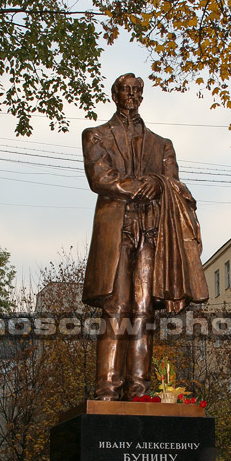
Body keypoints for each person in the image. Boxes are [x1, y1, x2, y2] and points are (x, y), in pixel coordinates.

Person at [82, 73, 208, 400]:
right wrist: (142, 187)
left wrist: (159, 182)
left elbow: (174, 185)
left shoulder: (162, 145)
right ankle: (107, 391)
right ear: (115, 94)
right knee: (116, 308)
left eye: (136, 90)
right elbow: (102, 178)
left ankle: (139, 392)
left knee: (144, 311)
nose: (131, 95)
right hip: (117, 232)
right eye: (125, 90)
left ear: (142, 96)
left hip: (153, 232)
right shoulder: (95, 136)